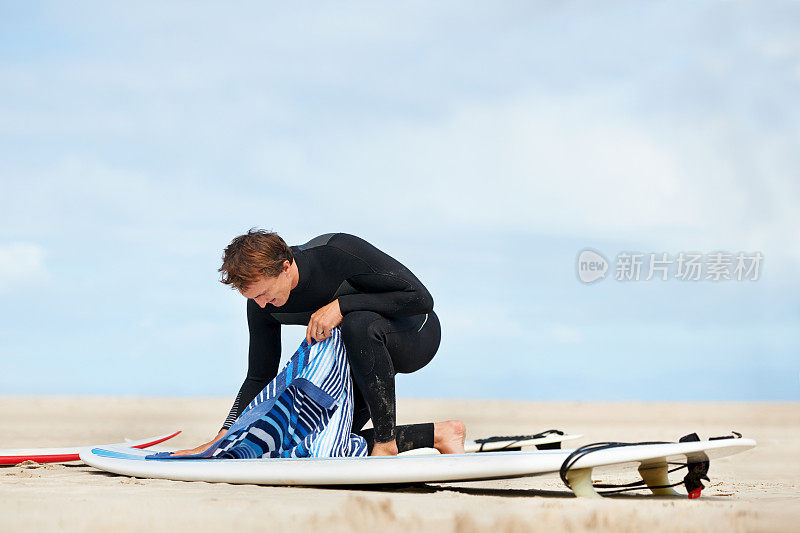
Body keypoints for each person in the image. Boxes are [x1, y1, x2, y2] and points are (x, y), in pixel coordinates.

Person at [175, 230, 465, 457]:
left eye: (263, 293)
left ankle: (385, 444)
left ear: (286, 268)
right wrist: (222, 438)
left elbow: (421, 299)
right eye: (253, 299)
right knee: (309, 440)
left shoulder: (335, 252)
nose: (261, 305)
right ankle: (441, 434)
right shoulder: (261, 304)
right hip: (361, 359)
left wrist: (341, 305)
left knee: (357, 321)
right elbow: (259, 376)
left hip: (415, 333)